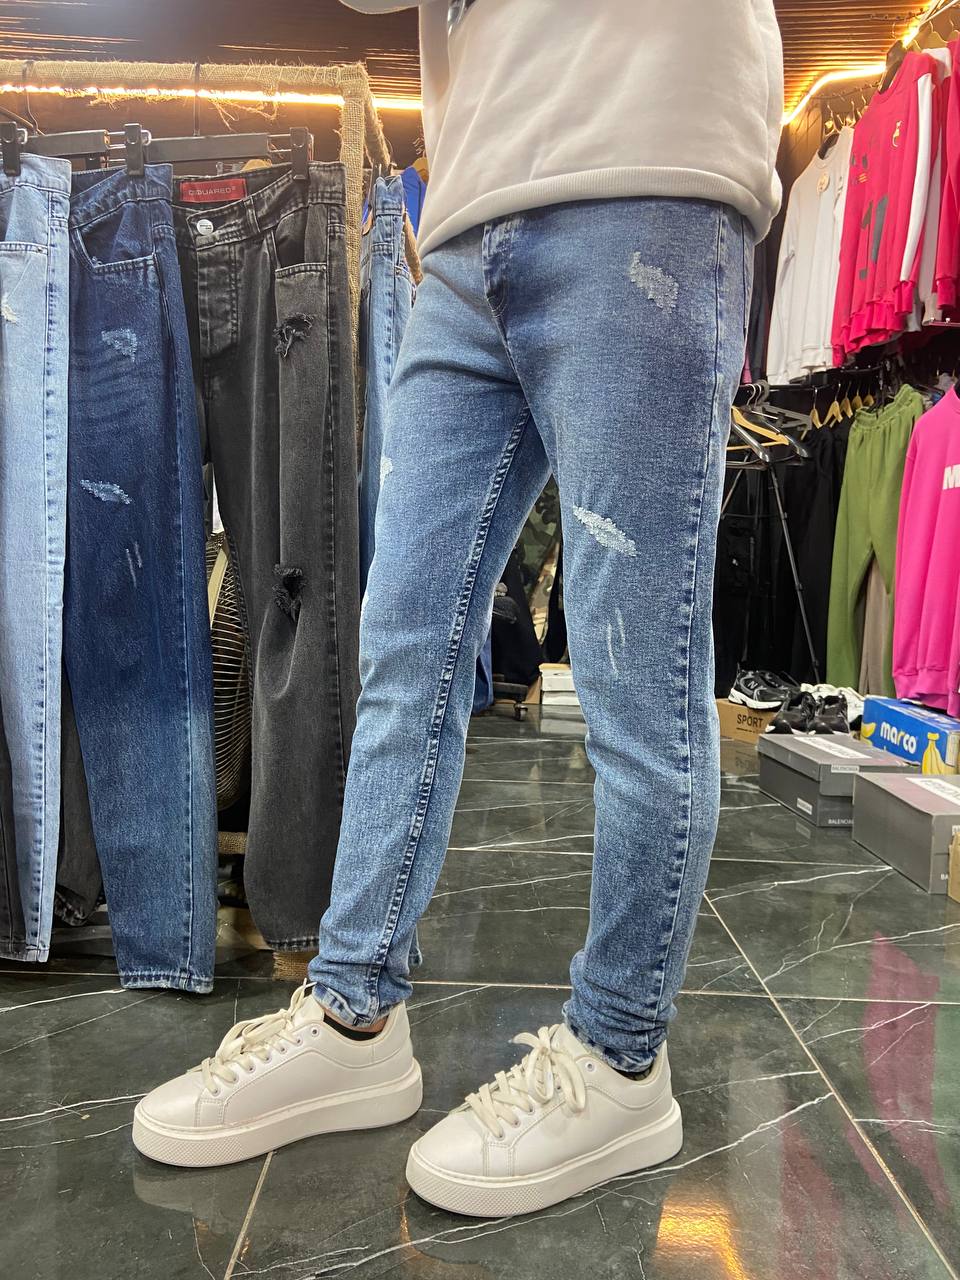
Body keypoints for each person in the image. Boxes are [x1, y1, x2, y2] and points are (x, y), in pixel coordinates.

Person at [133, 0, 784, 1218]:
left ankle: (621, 1054)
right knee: (402, 648)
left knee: (638, 671)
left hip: (649, 162)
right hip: (468, 213)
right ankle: (355, 1013)